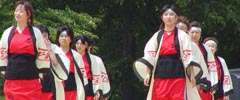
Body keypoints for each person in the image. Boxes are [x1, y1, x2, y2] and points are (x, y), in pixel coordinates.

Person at [143, 5, 201, 100]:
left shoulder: (183, 36)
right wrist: (147, 73)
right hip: (160, 75)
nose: (168, 17)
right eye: (166, 14)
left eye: (171, 14)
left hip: (178, 74)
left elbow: (188, 56)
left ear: (176, 17)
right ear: (162, 17)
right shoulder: (157, 36)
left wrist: (192, 75)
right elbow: (150, 55)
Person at [0, 1, 50, 100]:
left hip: (31, 80)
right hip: (12, 79)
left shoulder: (36, 33)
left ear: (28, 14)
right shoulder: (8, 32)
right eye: (16, 10)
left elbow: (42, 52)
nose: (17, 13)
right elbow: (2, 52)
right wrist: (4, 70)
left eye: (21, 11)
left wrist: (41, 71)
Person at [38, 25, 70, 100]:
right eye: (41, 36)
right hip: (37, 84)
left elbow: (58, 65)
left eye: (45, 35)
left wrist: (49, 49)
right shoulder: (33, 47)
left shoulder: (55, 48)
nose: (43, 38)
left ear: (48, 36)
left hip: (53, 84)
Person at [75, 35, 111, 100]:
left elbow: (98, 76)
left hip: (89, 87)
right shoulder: (73, 57)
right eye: (77, 43)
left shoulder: (95, 59)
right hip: (75, 85)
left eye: (82, 44)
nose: (79, 46)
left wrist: (98, 90)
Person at [56, 25, 88, 100]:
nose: (64, 38)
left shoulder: (76, 56)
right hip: (56, 87)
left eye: (66, 36)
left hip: (71, 89)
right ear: (58, 38)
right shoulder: (53, 53)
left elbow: (82, 76)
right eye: (61, 36)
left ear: (71, 39)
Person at [188, 21, 218, 100]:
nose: (194, 35)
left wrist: (213, 83)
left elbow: (212, 67)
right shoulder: (184, 47)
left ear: (200, 34)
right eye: (192, 32)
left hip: (203, 84)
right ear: (188, 33)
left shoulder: (206, 49)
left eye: (197, 32)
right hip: (188, 82)